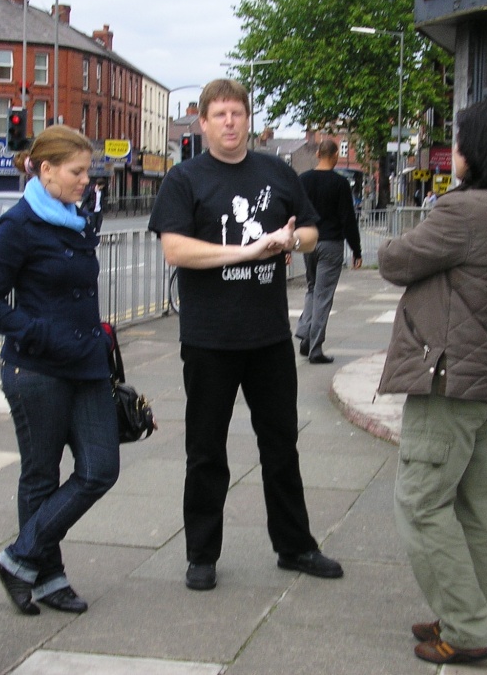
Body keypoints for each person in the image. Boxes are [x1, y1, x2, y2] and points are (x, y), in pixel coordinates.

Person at [148, 78, 343, 592]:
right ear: (204, 122)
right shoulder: (184, 180)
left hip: (268, 338)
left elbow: (311, 234)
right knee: (206, 450)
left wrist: (287, 239)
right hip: (210, 338)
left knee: (281, 446)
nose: (230, 122)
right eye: (220, 115)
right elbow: (176, 250)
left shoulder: (277, 172)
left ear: (248, 120)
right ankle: (201, 555)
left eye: (237, 113)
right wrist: (246, 251)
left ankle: (296, 545)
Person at [377, 100, 487, 665]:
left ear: (480, 149)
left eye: (460, 141)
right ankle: (467, 610)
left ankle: (466, 627)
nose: (455, 150)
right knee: (473, 505)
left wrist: (392, 242)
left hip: (452, 380)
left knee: (419, 501)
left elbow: (396, 260)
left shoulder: (465, 212)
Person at [0, 125, 119, 616]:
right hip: (37, 369)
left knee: (100, 469)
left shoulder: (76, 220)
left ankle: (19, 559)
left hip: (87, 366)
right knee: (40, 475)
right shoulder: (18, 226)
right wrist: (39, 333)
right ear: (48, 170)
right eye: (78, 172)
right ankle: (48, 576)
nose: (87, 181)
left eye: (89, 171)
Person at [295, 139, 363, 365]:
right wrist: (356, 249)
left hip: (308, 242)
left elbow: (295, 212)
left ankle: (305, 330)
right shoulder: (340, 184)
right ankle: (315, 348)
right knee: (324, 295)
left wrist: (291, 243)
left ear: (317, 155)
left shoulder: (303, 180)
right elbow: (347, 219)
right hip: (331, 244)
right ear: (334, 155)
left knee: (312, 288)